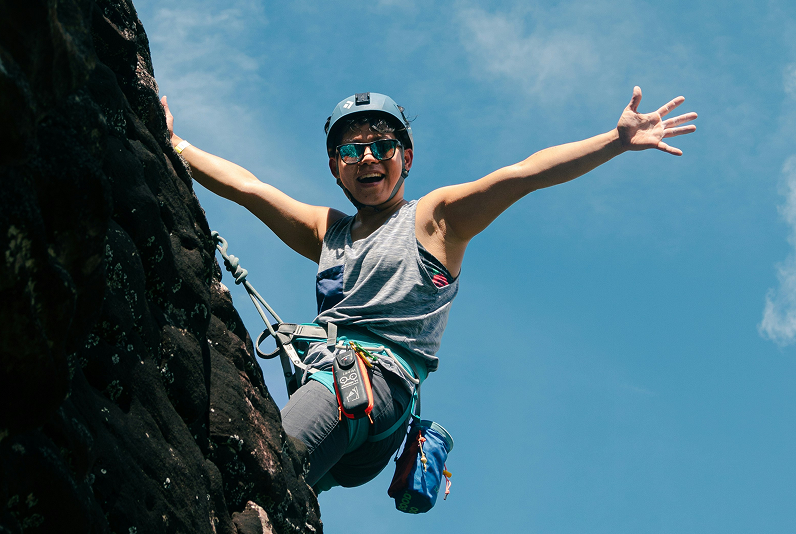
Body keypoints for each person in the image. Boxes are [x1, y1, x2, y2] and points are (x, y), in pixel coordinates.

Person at [161, 87, 697, 492]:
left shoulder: (435, 220)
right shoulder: (329, 231)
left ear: (406, 158)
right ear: (336, 170)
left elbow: (522, 175)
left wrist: (614, 141)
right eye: (351, 151)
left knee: (262, 469)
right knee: (254, 490)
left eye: (382, 146)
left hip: (369, 392)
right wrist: (173, 142)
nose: (368, 158)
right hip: (337, 394)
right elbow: (250, 188)